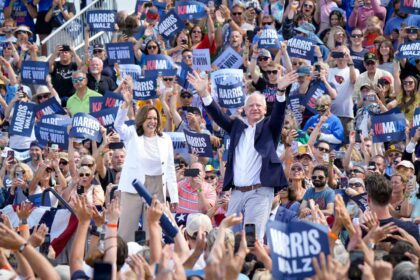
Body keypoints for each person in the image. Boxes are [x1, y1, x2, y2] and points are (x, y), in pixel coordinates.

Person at [187, 69, 298, 241]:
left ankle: (253, 267)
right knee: (228, 237)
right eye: (251, 105)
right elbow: (218, 116)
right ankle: (232, 267)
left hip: (260, 191)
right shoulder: (237, 127)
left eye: (258, 105)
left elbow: (279, 113)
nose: (254, 108)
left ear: (265, 109)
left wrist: (281, 91)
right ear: (244, 109)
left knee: (252, 239)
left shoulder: (270, 127)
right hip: (237, 192)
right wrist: (203, 92)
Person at [114, 86, 178, 242]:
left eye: (155, 118)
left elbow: (170, 168)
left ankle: (151, 262)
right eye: (149, 118)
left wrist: (174, 196)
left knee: (153, 232)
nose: (153, 121)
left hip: (156, 186)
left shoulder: (166, 140)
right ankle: (124, 262)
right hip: (133, 186)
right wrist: (125, 105)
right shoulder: (132, 133)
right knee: (126, 231)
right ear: (142, 120)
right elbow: (118, 126)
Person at [365, 174, 419, 242]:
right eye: (391, 182)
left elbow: (405, 213)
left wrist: (407, 193)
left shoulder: (362, 229)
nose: (393, 184)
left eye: (396, 182)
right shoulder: (411, 228)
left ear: (404, 185)